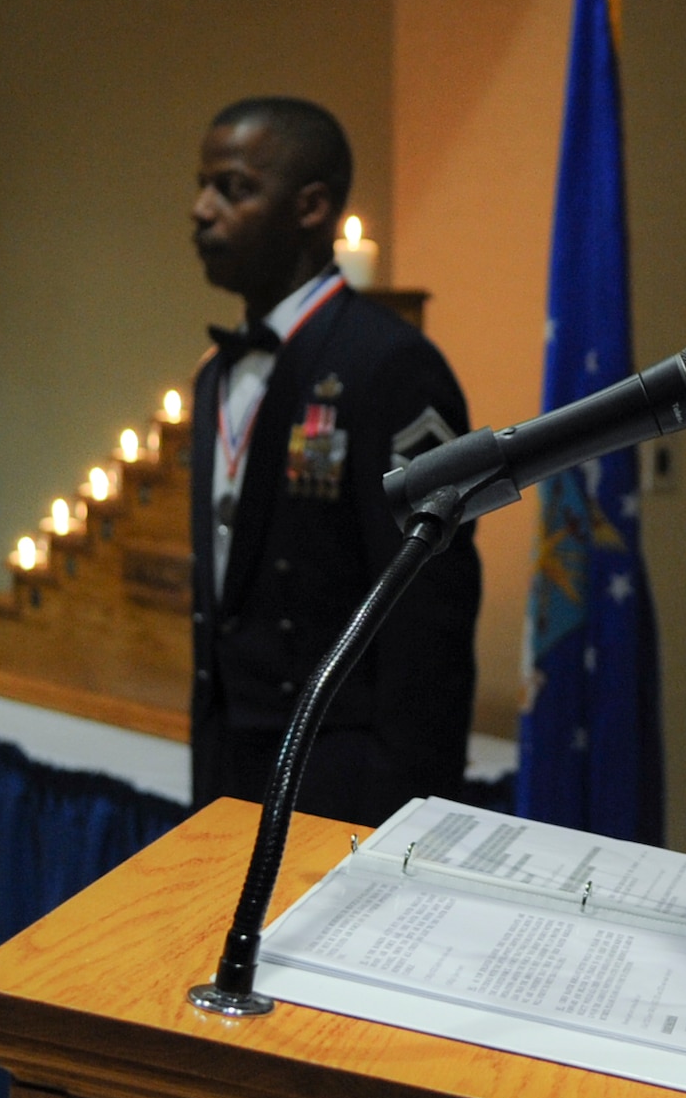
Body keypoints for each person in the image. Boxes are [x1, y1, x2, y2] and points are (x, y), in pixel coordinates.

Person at [188, 96, 481, 827]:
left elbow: (429, 611)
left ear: (311, 207)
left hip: (345, 780)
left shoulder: (390, 365)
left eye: (233, 188)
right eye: (202, 185)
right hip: (231, 766)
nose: (200, 209)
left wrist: (404, 810)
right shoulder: (213, 375)